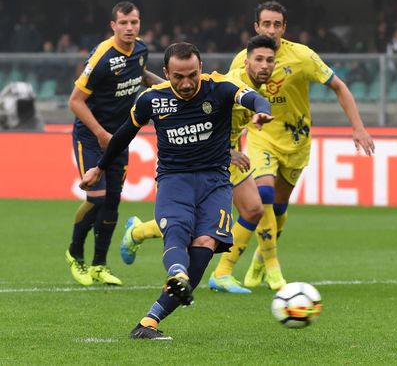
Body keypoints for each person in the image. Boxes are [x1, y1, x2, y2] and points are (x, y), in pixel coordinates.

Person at [80, 42, 272, 340]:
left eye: (192, 75)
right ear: (166, 73)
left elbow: (255, 99)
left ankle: (148, 323)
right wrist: (100, 168)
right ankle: (177, 274)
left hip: (216, 181)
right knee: (178, 233)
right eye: (178, 77)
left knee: (206, 244)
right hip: (174, 179)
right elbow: (122, 136)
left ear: (201, 69)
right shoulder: (151, 100)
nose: (186, 83)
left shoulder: (219, 87)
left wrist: (261, 113)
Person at [120, 35, 279, 295]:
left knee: (252, 209)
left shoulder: (264, 87)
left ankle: (221, 271)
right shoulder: (232, 82)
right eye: (259, 60)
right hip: (209, 155)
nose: (265, 66)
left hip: (225, 153)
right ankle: (219, 271)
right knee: (196, 223)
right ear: (246, 62)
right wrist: (228, 151)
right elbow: (187, 106)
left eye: (270, 61)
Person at [233, 0, 374, 290]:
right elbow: (228, 98)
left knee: (280, 208)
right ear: (256, 27)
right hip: (261, 137)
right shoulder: (241, 60)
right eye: (266, 24)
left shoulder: (302, 56)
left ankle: (261, 258)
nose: (271, 29)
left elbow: (338, 86)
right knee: (264, 195)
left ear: (284, 28)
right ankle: (274, 268)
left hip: (296, 141)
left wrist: (358, 127)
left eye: (277, 24)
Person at [65, 1, 164, 286]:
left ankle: (99, 264)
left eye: (134, 22)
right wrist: (99, 133)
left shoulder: (142, 50)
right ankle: (74, 254)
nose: (130, 28)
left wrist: (165, 87)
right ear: (113, 25)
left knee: (111, 201)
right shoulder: (103, 56)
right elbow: (75, 101)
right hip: (91, 135)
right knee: (96, 198)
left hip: (120, 136)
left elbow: (141, 75)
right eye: (124, 23)